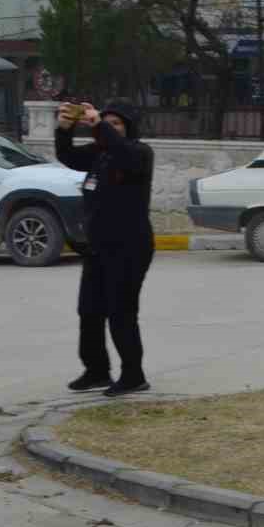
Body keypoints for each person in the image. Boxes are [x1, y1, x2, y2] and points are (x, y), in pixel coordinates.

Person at [54, 100, 155, 396]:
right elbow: (68, 155)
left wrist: (99, 125)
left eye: (116, 124)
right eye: (105, 122)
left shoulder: (138, 153)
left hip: (129, 247)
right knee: (89, 310)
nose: (110, 128)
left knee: (121, 312)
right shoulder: (100, 154)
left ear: (128, 128)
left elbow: (124, 153)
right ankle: (97, 370)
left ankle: (134, 375)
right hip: (98, 247)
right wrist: (65, 127)